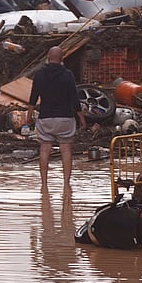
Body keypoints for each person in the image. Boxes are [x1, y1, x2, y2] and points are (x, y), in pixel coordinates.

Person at [29, 45, 87, 191]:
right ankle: (66, 184)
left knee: (44, 150)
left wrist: (29, 115)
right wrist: (81, 118)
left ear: (48, 58)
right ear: (62, 59)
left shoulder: (40, 75)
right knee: (66, 150)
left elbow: (33, 97)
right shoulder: (68, 75)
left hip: (46, 118)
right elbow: (74, 98)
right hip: (65, 118)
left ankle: (44, 184)